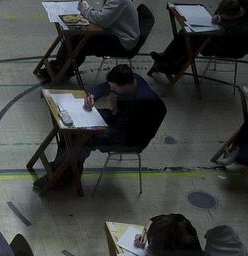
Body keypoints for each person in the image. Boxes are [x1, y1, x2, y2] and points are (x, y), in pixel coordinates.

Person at [33, 64, 165, 191]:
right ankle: (67, 168)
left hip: (128, 137)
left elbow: (125, 130)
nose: (111, 90)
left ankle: (61, 175)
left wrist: (114, 109)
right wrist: (92, 96)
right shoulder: (130, 78)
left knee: (83, 137)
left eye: (115, 88)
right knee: (71, 126)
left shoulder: (144, 101)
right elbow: (104, 87)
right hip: (120, 120)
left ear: (125, 85)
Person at [43, 0, 139, 80]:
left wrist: (84, 10)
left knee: (81, 42)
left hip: (123, 42)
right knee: (76, 37)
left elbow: (101, 20)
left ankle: (62, 70)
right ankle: (61, 67)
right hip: (118, 34)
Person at [148, 0, 248, 76]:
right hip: (218, 35)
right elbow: (220, 16)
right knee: (187, 31)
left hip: (234, 47)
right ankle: (166, 56)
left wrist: (224, 27)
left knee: (199, 43)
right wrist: (218, 17)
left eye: (225, 17)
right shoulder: (234, 3)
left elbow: (231, 31)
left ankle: (177, 68)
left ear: (235, 15)